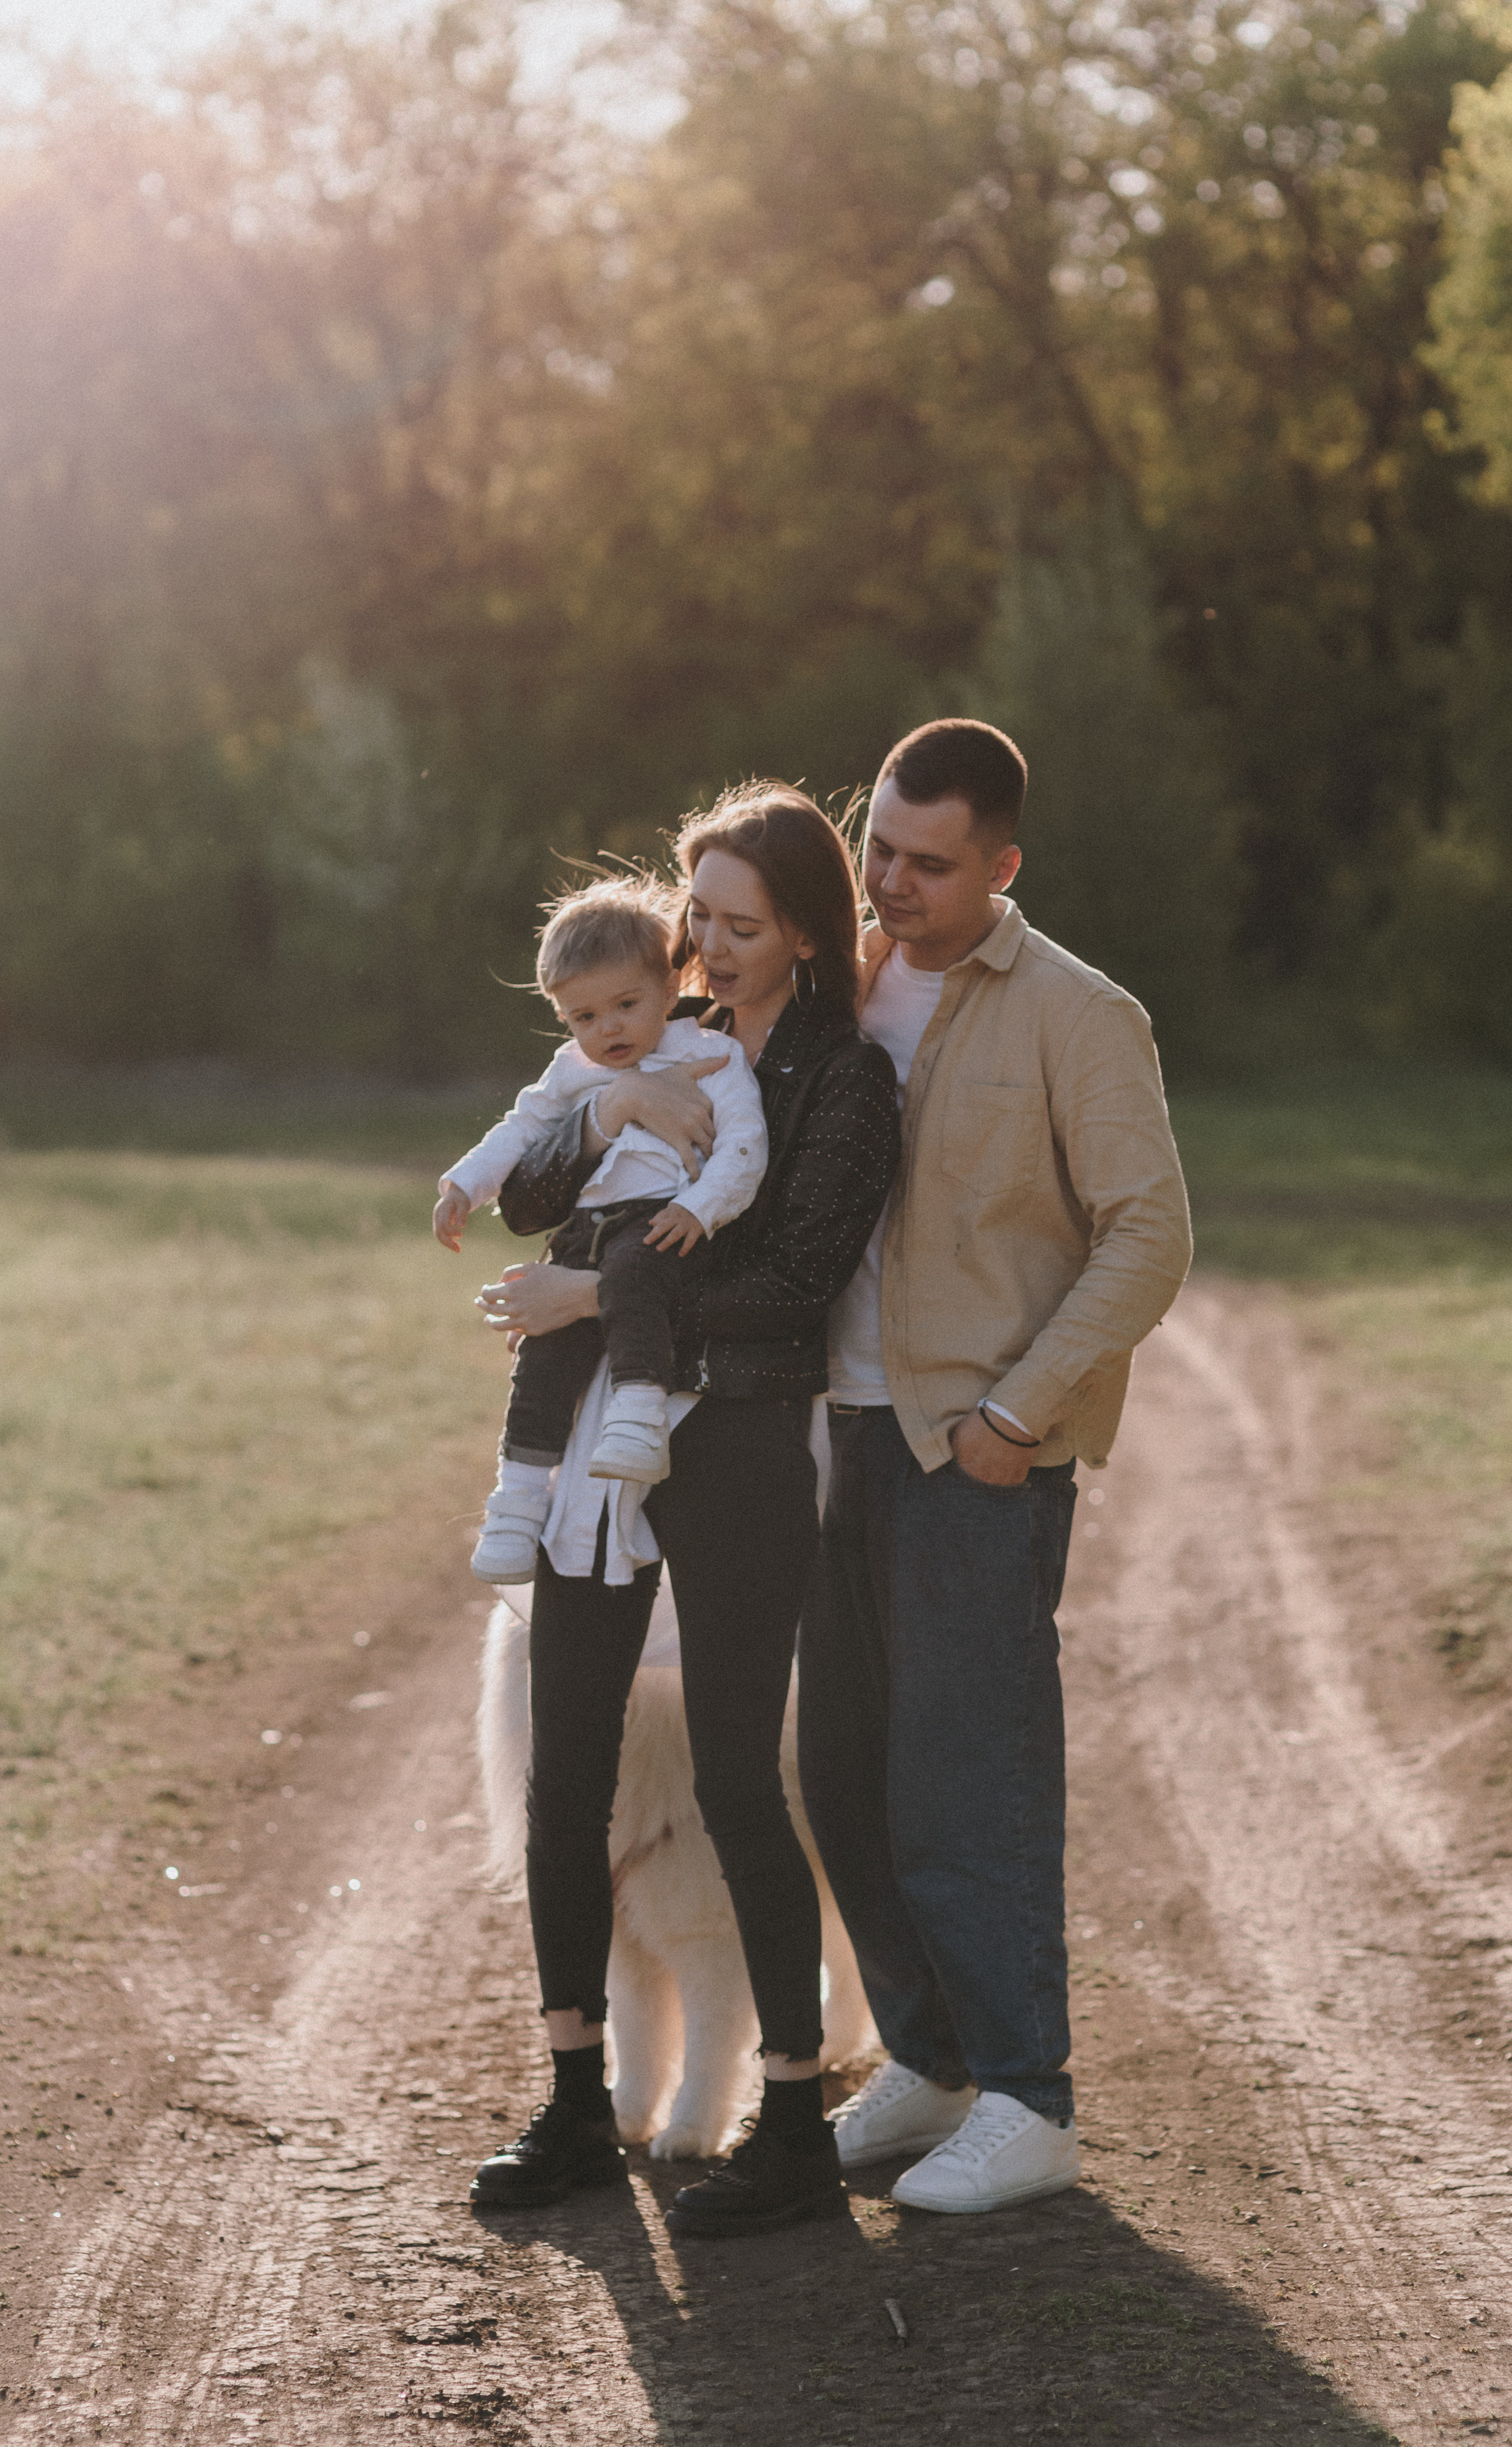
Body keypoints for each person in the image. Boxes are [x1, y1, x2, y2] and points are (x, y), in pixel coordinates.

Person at [465, 787, 901, 2238]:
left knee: (731, 1780)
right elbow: (532, 1189)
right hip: (600, 1446)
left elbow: (794, 1283)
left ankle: (787, 2113)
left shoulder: (843, 1082)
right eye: (692, 913)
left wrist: (596, 1292)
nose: (701, 941)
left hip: (742, 1453)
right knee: (562, 1779)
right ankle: (575, 2096)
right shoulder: (650, 1027)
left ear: (801, 927)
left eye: (733, 921)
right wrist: (614, 1098)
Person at [797, 718, 1192, 2215]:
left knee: (967, 1778)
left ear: (1001, 865)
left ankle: (1029, 2097)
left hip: (972, 1455)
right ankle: (930, 2052)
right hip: (832, 1435)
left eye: (927, 862)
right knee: (841, 1773)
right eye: (877, 847)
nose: (890, 881)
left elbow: (1147, 1232)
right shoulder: (837, 976)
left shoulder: (1079, 1015)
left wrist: (1014, 1416)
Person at [433, 876, 770, 1577]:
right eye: (583, 1017)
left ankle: (639, 1415)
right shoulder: (573, 1071)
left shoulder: (708, 1054)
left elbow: (744, 1146)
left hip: (664, 1220)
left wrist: (699, 1208)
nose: (607, 1030)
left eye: (625, 1005)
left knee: (636, 1273)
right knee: (546, 1355)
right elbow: (522, 1128)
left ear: (669, 983)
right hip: (586, 1227)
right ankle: (518, 1502)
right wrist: (464, 1183)